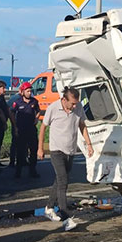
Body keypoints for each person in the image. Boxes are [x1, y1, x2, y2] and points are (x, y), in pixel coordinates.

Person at [38, 87, 94, 231]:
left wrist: (89, 144)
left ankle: (49, 208)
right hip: (56, 150)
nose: (74, 106)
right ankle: (65, 218)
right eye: (72, 104)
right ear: (64, 100)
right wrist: (40, 148)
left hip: (70, 150)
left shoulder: (78, 107)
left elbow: (82, 125)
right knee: (63, 181)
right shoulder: (53, 108)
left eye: (76, 103)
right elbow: (43, 127)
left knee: (60, 180)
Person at [11, 82, 41, 178]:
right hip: (21, 130)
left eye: (30, 91)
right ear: (23, 92)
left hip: (31, 129)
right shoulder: (18, 102)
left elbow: (38, 111)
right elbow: (11, 112)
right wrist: (14, 125)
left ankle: (33, 170)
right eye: (27, 91)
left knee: (33, 150)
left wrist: (36, 119)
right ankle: (18, 171)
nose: (29, 93)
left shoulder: (34, 101)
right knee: (20, 151)